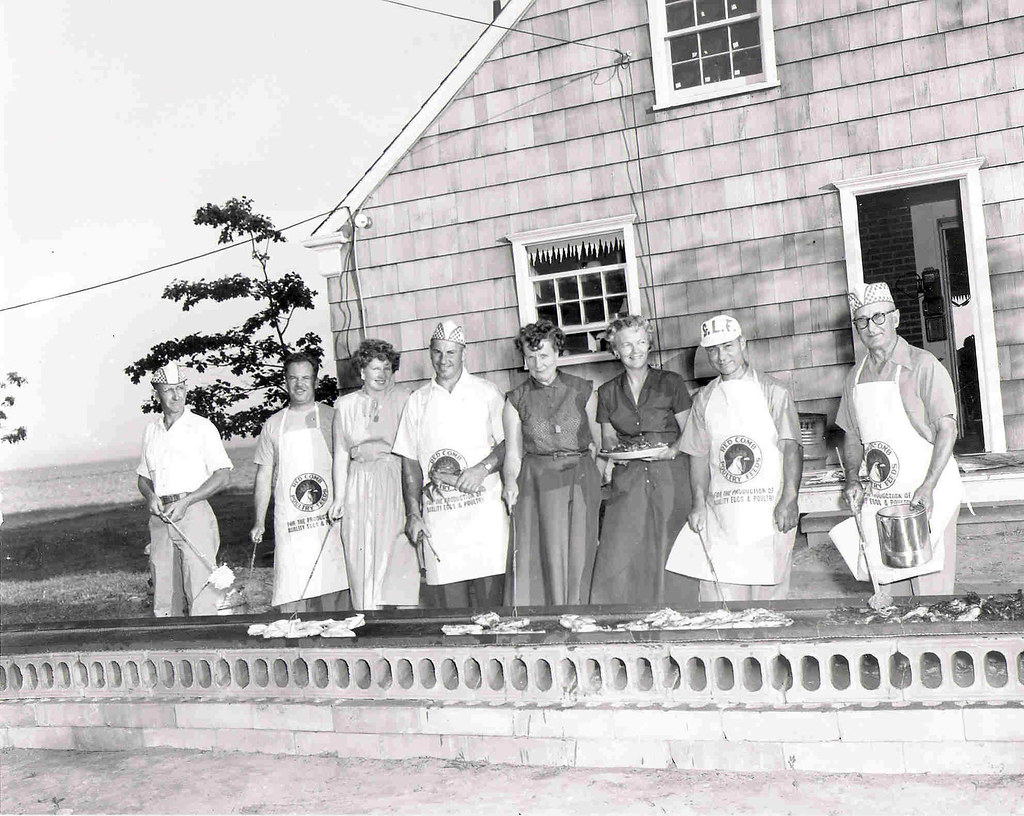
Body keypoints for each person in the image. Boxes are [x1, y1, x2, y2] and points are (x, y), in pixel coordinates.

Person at [834, 282, 962, 595]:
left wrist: (929, 485)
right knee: (890, 598)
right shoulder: (855, 376)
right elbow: (851, 436)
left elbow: (948, 428)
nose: (871, 327)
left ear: (896, 318)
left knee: (931, 596)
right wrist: (852, 479)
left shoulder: (923, 365)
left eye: (878, 317)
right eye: (862, 321)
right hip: (884, 501)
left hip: (926, 496)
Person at [668, 315, 803, 602]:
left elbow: (792, 447)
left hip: (768, 510)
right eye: (713, 350)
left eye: (728, 346)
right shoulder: (704, 398)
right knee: (720, 597)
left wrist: (789, 498)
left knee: (768, 598)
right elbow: (698, 455)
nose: (721, 356)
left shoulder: (774, 391)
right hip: (723, 514)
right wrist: (697, 503)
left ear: (743, 344)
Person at [393, 320, 508, 609]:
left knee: (492, 608)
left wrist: (482, 469)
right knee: (450, 611)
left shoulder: (487, 392)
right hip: (441, 521)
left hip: (484, 517)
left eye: (451, 353)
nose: (443, 360)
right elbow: (409, 463)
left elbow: (509, 444)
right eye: (437, 352)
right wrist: (413, 513)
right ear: (430, 354)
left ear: (463, 353)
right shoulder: (417, 401)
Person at [591, 315, 697, 607]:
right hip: (630, 478)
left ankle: (679, 612)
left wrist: (672, 450)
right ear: (615, 351)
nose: (634, 350)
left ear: (649, 344)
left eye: (640, 342)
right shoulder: (607, 392)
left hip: (671, 474)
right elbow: (608, 439)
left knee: (671, 542)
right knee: (623, 544)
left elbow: (690, 432)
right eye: (626, 345)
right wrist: (618, 452)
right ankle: (628, 613)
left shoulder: (671, 383)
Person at [502, 320, 602, 606]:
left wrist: (593, 475)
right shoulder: (515, 400)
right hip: (537, 480)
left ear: (558, 353)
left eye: (544, 355)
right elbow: (513, 454)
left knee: (581, 550)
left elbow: (600, 443)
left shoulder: (583, 390)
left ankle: (581, 614)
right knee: (545, 552)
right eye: (531, 357)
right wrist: (510, 483)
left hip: (580, 476)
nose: (538, 363)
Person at [251, 352, 349, 613]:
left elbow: (347, 465)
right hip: (291, 526)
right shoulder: (273, 425)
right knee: (293, 598)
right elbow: (263, 476)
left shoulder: (332, 418)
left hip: (328, 522)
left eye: (306, 378)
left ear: (315, 381)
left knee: (334, 597)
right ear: (285, 382)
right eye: (293, 378)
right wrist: (259, 521)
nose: (300, 384)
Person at [327, 339, 420, 610]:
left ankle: (405, 622)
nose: (382, 375)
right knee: (363, 556)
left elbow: (412, 451)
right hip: (358, 485)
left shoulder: (405, 398)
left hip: (393, 479)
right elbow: (341, 454)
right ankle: (368, 620)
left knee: (398, 554)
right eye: (375, 368)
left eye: (387, 368)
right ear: (362, 371)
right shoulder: (345, 405)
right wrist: (339, 498)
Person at [137, 362, 233, 616]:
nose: (176, 395)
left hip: (193, 512)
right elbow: (144, 478)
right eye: (168, 390)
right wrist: (150, 496)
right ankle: (169, 652)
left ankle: (208, 652)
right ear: (157, 393)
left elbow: (223, 475)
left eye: (180, 388)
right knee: (164, 595)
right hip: (160, 518)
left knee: (201, 591)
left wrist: (188, 501)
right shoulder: (152, 431)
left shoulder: (202, 426)